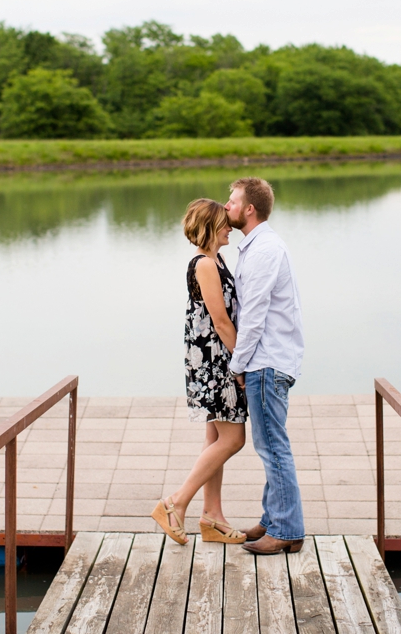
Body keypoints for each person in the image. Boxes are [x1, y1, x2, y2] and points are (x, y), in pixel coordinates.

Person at [151, 198, 248, 546]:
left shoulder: (216, 259)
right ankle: (175, 503)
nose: (230, 228)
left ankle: (212, 518)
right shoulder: (204, 265)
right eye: (224, 223)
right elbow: (220, 321)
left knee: (215, 439)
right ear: (209, 227)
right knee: (234, 439)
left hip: (211, 359)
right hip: (215, 362)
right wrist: (242, 362)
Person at [225, 177, 306, 555]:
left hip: (266, 361)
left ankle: (287, 530)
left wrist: (237, 364)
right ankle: (273, 519)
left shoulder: (263, 250)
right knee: (268, 444)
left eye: (233, 200)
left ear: (250, 208)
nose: (228, 206)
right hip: (269, 359)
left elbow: (254, 314)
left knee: (273, 447)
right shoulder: (257, 246)